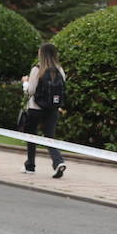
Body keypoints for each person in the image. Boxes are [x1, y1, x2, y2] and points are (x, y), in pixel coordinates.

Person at [21, 42, 68, 178]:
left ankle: (30, 165)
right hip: (53, 109)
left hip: (35, 108)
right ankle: (58, 161)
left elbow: (31, 90)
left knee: (31, 136)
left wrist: (25, 82)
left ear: (41, 54)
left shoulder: (37, 69)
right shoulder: (59, 70)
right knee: (49, 136)